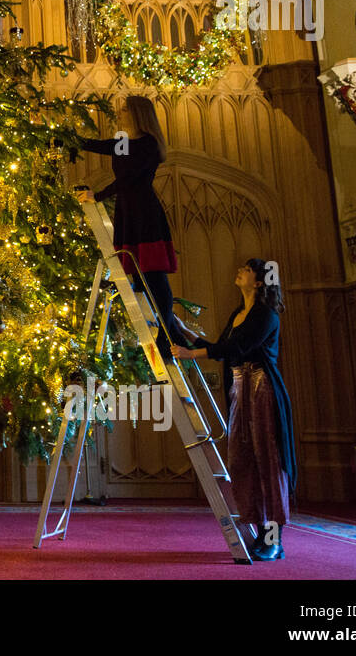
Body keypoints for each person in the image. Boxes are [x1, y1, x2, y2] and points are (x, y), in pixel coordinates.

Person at [174, 258, 296, 561]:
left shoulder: (266, 315)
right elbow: (223, 346)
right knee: (242, 459)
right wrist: (185, 332)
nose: (239, 271)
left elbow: (236, 348)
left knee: (267, 458)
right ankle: (258, 532)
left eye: (247, 269)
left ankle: (274, 539)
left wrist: (192, 354)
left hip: (262, 388)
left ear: (258, 282)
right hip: (241, 389)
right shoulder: (238, 313)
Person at [74, 95, 196, 359]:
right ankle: (169, 334)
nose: (119, 112)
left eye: (125, 109)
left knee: (154, 277)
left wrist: (99, 194)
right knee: (141, 279)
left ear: (138, 114)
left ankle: (166, 338)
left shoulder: (148, 145)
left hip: (144, 213)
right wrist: (70, 139)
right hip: (128, 212)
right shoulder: (124, 143)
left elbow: (129, 180)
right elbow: (102, 146)